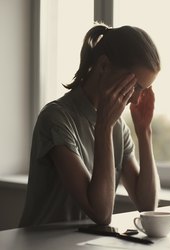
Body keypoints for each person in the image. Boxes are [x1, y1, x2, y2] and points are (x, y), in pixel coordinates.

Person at [19, 23, 161, 227]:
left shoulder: (118, 127)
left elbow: (147, 206)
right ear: (103, 66)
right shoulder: (56, 118)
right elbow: (101, 213)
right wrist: (103, 127)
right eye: (135, 86)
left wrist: (144, 131)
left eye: (144, 90)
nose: (138, 99)